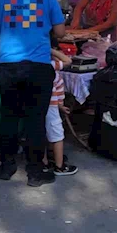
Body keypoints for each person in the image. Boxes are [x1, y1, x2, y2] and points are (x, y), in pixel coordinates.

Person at [0, 0, 66, 187]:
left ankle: (6, 166)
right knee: (35, 119)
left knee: (9, 116)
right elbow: (60, 33)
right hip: (39, 66)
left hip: (9, 65)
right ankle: (34, 172)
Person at [45, 47, 77, 176]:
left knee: (41, 133)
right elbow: (68, 61)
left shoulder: (33, 65)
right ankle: (59, 166)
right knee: (57, 136)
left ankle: (44, 163)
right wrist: (52, 51)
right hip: (51, 107)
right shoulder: (51, 66)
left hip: (38, 105)